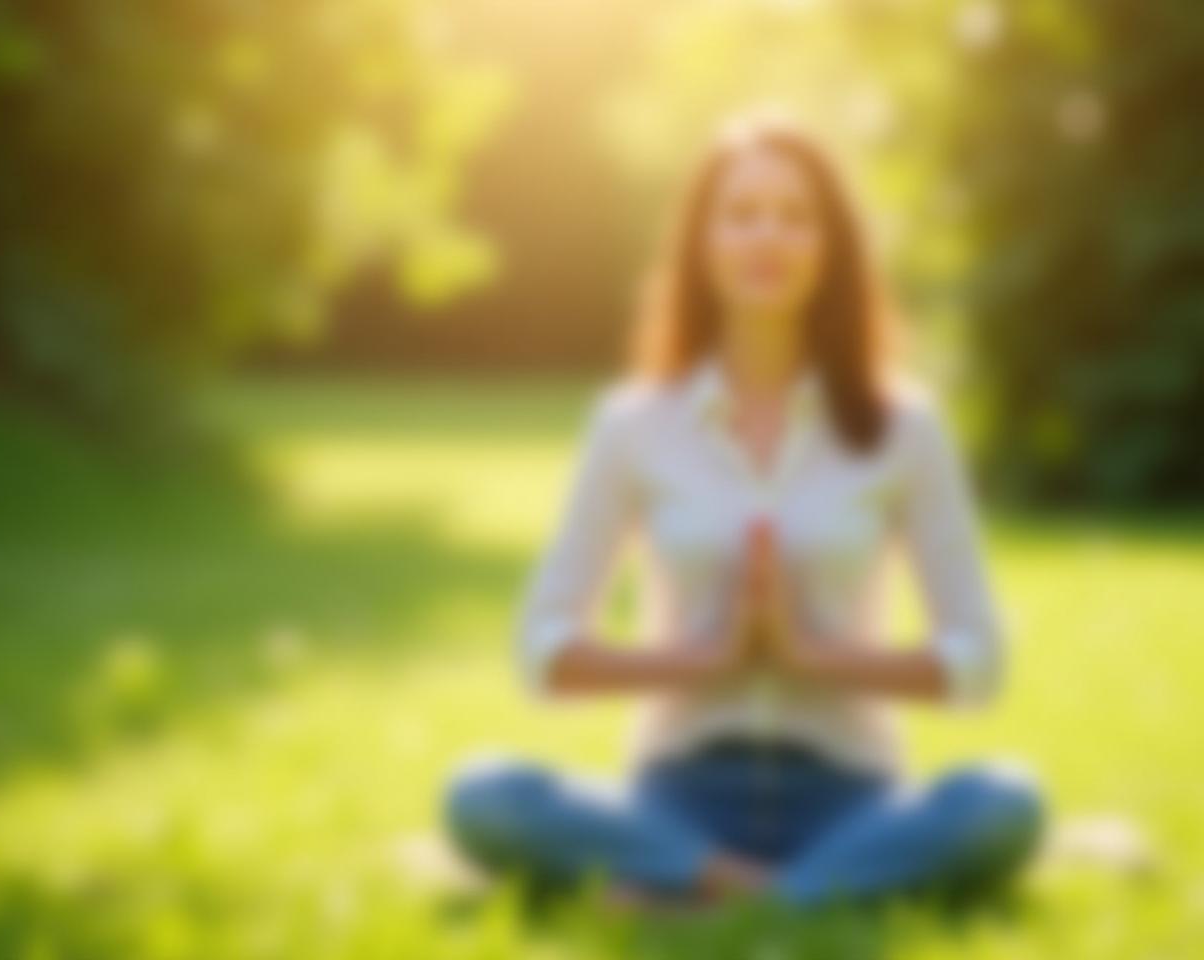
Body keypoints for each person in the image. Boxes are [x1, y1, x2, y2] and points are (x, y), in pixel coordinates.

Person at [440, 108, 1046, 912]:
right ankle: (765, 887)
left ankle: (723, 892)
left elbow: (979, 660)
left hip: (849, 797)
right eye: (742, 215)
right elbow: (540, 652)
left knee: (1005, 803)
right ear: (702, 243)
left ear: (831, 251)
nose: (768, 236)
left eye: (796, 218)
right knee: (483, 795)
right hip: (678, 798)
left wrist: (813, 656)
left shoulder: (906, 427)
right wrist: (700, 658)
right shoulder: (632, 424)